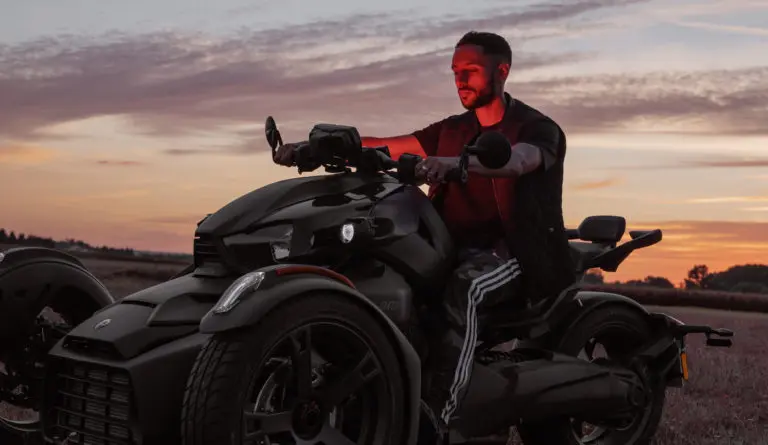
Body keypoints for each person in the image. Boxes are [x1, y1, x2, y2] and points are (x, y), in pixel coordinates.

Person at [273, 31, 576, 437]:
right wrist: (313, 147)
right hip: (448, 245)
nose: (460, 80)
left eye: (470, 71)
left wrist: (455, 164)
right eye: (455, 71)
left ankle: (436, 419)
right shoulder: (454, 129)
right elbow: (390, 145)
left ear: (502, 71)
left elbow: (518, 162)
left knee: (466, 289)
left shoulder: (537, 129)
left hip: (513, 252)